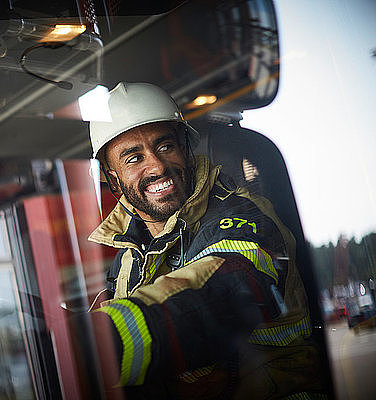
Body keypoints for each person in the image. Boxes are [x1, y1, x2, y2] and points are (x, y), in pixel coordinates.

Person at [87, 82, 325, 399]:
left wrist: (94, 344)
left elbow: (222, 296)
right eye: (134, 158)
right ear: (113, 178)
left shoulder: (245, 218)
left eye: (165, 147)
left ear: (185, 149)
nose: (157, 166)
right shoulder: (128, 257)